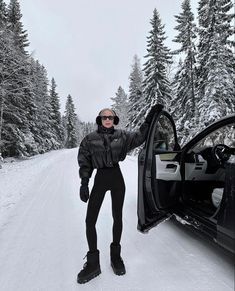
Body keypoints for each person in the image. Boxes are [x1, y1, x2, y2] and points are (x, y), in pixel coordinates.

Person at [77, 104, 160, 284]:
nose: (107, 120)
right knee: (90, 220)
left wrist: (150, 117)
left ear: (114, 120)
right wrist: (84, 182)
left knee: (117, 217)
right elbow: (85, 161)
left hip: (116, 178)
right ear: (99, 120)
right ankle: (93, 263)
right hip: (100, 178)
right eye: (104, 117)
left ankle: (116, 257)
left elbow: (140, 136)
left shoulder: (122, 136)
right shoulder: (89, 139)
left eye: (110, 117)